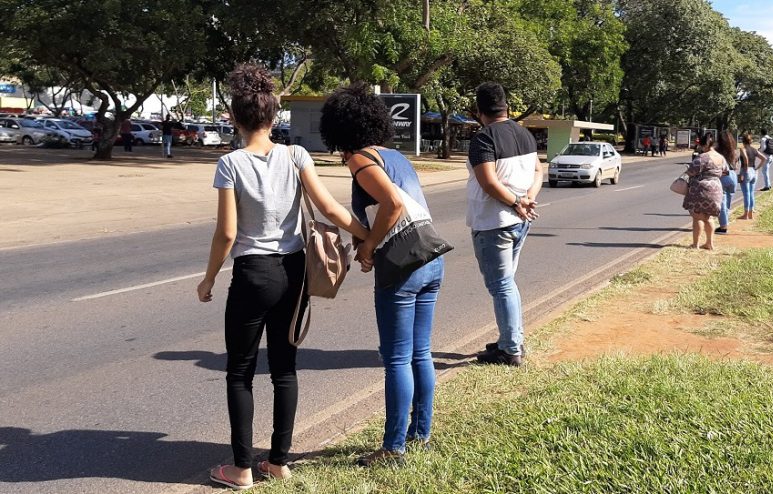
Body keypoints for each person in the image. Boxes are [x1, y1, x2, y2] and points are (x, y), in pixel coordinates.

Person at [197, 64, 369, 490]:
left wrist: (208, 279)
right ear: (274, 118)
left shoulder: (230, 164)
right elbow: (330, 209)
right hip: (294, 273)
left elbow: (228, 233)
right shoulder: (296, 155)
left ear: (235, 119)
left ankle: (240, 469)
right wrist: (368, 238)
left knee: (239, 372)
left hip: (252, 274)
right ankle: (278, 461)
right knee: (284, 369)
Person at [319, 82, 446, 467]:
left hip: (402, 266)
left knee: (396, 358)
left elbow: (390, 204)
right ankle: (420, 434)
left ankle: (394, 448)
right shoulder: (396, 155)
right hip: (431, 258)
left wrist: (370, 246)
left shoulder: (360, 160)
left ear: (339, 128)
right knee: (420, 353)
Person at [467, 82, 542, 367]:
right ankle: (509, 339)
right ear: (506, 106)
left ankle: (510, 349)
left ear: (479, 110)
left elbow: (488, 182)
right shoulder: (524, 134)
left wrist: (515, 202)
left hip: (494, 222)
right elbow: (537, 171)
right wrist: (528, 198)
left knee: (501, 285)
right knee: (506, 283)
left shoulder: (483, 139)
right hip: (520, 219)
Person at [683, 132, 726, 250]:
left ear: (703, 145)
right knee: (709, 217)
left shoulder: (702, 157)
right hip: (716, 187)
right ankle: (710, 243)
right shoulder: (720, 157)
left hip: (701, 189)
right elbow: (725, 171)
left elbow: (691, 172)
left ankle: (695, 244)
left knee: (697, 216)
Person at [739, 133, 767, 220]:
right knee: (751, 193)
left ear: (743, 141)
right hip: (753, 171)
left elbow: (745, 159)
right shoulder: (754, 150)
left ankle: (745, 214)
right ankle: (751, 213)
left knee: (746, 194)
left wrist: (745, 170)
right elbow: (764, 158)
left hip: (746, 171)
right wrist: (757, 168)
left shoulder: (742, 149)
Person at [716, 132, 738, 234]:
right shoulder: (734, 151)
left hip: (724, 176)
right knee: (728, 201)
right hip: (733, 175)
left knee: (722, 203)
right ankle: (725, 222)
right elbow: (736, 165)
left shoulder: (718, 151)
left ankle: (723, 227)